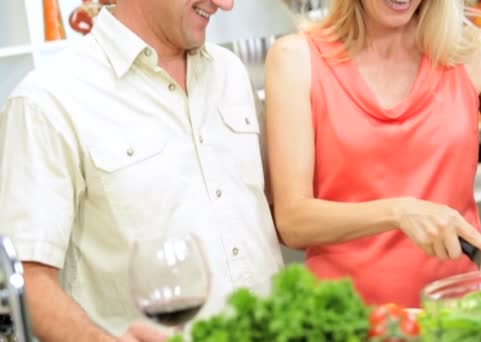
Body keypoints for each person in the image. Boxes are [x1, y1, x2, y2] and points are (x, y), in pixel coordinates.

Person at [264, 0, 481, 308]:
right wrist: (398, 212)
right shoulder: (296, 59)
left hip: (462, 313)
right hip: (349, 316)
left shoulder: (473, 53)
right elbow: (293, 221)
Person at [0, 0, 284, 340]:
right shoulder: (46, 101)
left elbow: (270, 210)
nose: (226, 4)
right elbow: (28, 280)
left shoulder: (231, 71)